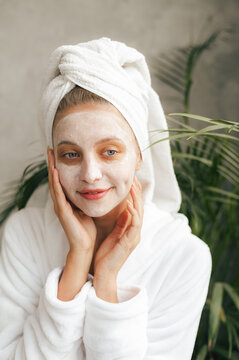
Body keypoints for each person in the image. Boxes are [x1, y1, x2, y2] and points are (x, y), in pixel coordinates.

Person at [0, 37, 212, 359]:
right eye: (71, 154)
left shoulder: (183, 256)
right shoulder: (24, 236)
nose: (90, 174)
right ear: (52, 161)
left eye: (110, 152)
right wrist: (77, 260)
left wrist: (107, 280)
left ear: (139, 155)